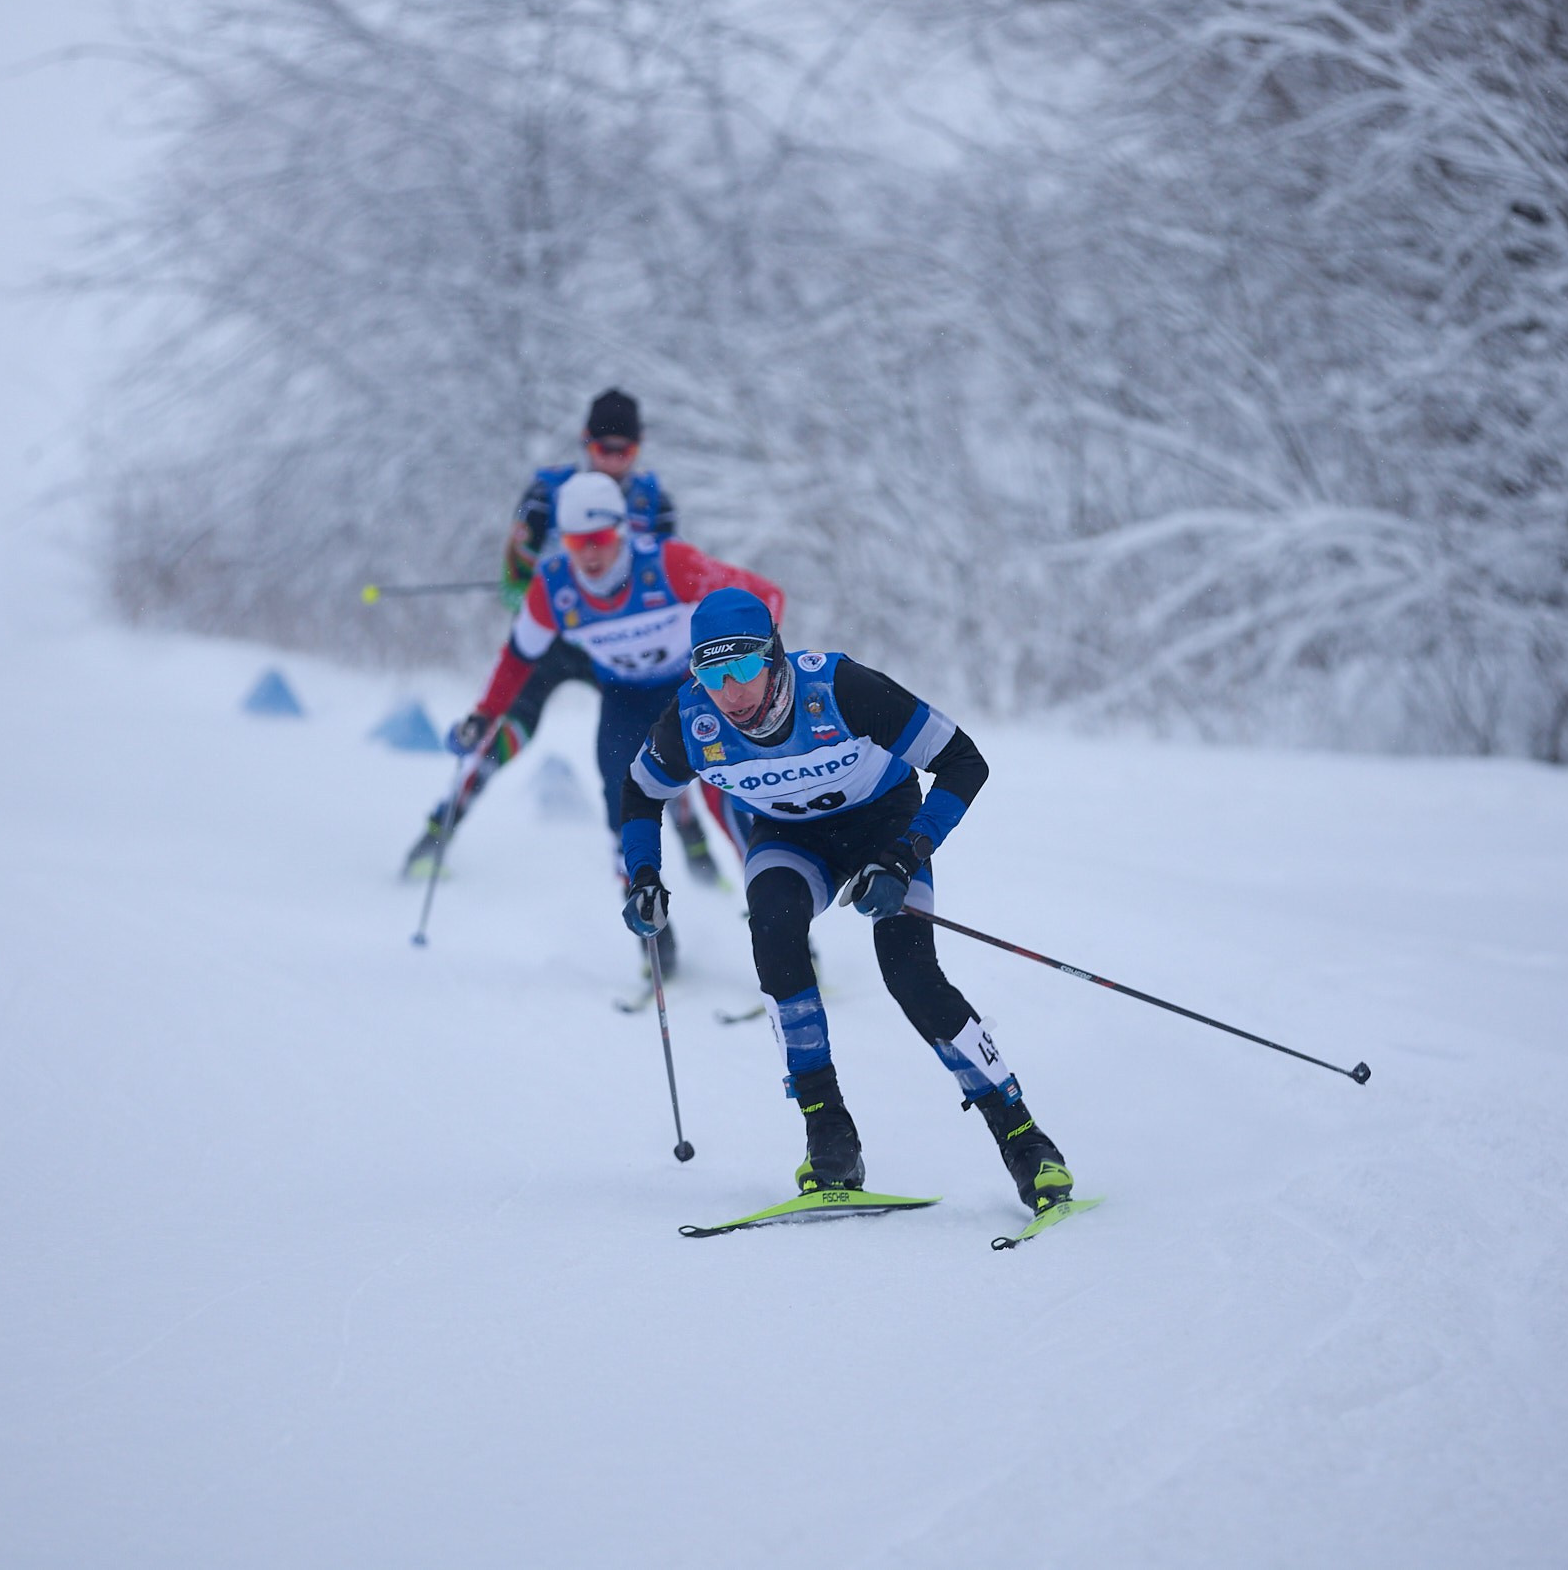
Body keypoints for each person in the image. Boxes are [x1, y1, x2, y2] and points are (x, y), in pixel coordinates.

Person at [614, 588, 1073, 1215]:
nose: (732, 690)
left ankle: (1024, 1138)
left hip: (886, 829)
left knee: (909, 974)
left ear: (773, 655)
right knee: (773, 932)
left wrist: (904, 855)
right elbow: (640, 795)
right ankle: (829, 1135)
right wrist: (643, 874)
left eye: (744, 666)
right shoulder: (691, 722)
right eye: (712, 673)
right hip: (790, 840)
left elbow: (965, 762)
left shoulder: (842, 689)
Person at [452, 475, 784, 979]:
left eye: (600, 540)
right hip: (624, 697)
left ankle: (783, 932)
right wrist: (484, 712)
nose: (589, 555)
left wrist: (759, 670)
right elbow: (518, 658)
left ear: (621, 532)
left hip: (687, 688)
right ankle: (655, 941)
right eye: (575, 543)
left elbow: (767, 597)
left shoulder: (670, 564)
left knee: (730, 797)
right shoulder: (555, 588)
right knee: (623, 802)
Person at [403, 387, 725, 881]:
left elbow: (665, 581)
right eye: (602, 451)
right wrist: (535, 585)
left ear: (639, 450)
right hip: (558, 638)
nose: (614, 463)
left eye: (626, 452)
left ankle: (700, 863)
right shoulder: (546, 493)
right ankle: (436, 834)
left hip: (619, 650)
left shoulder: (654, 500)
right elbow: (514, 588)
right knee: (511, 728)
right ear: (584, 445)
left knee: (657, 746)